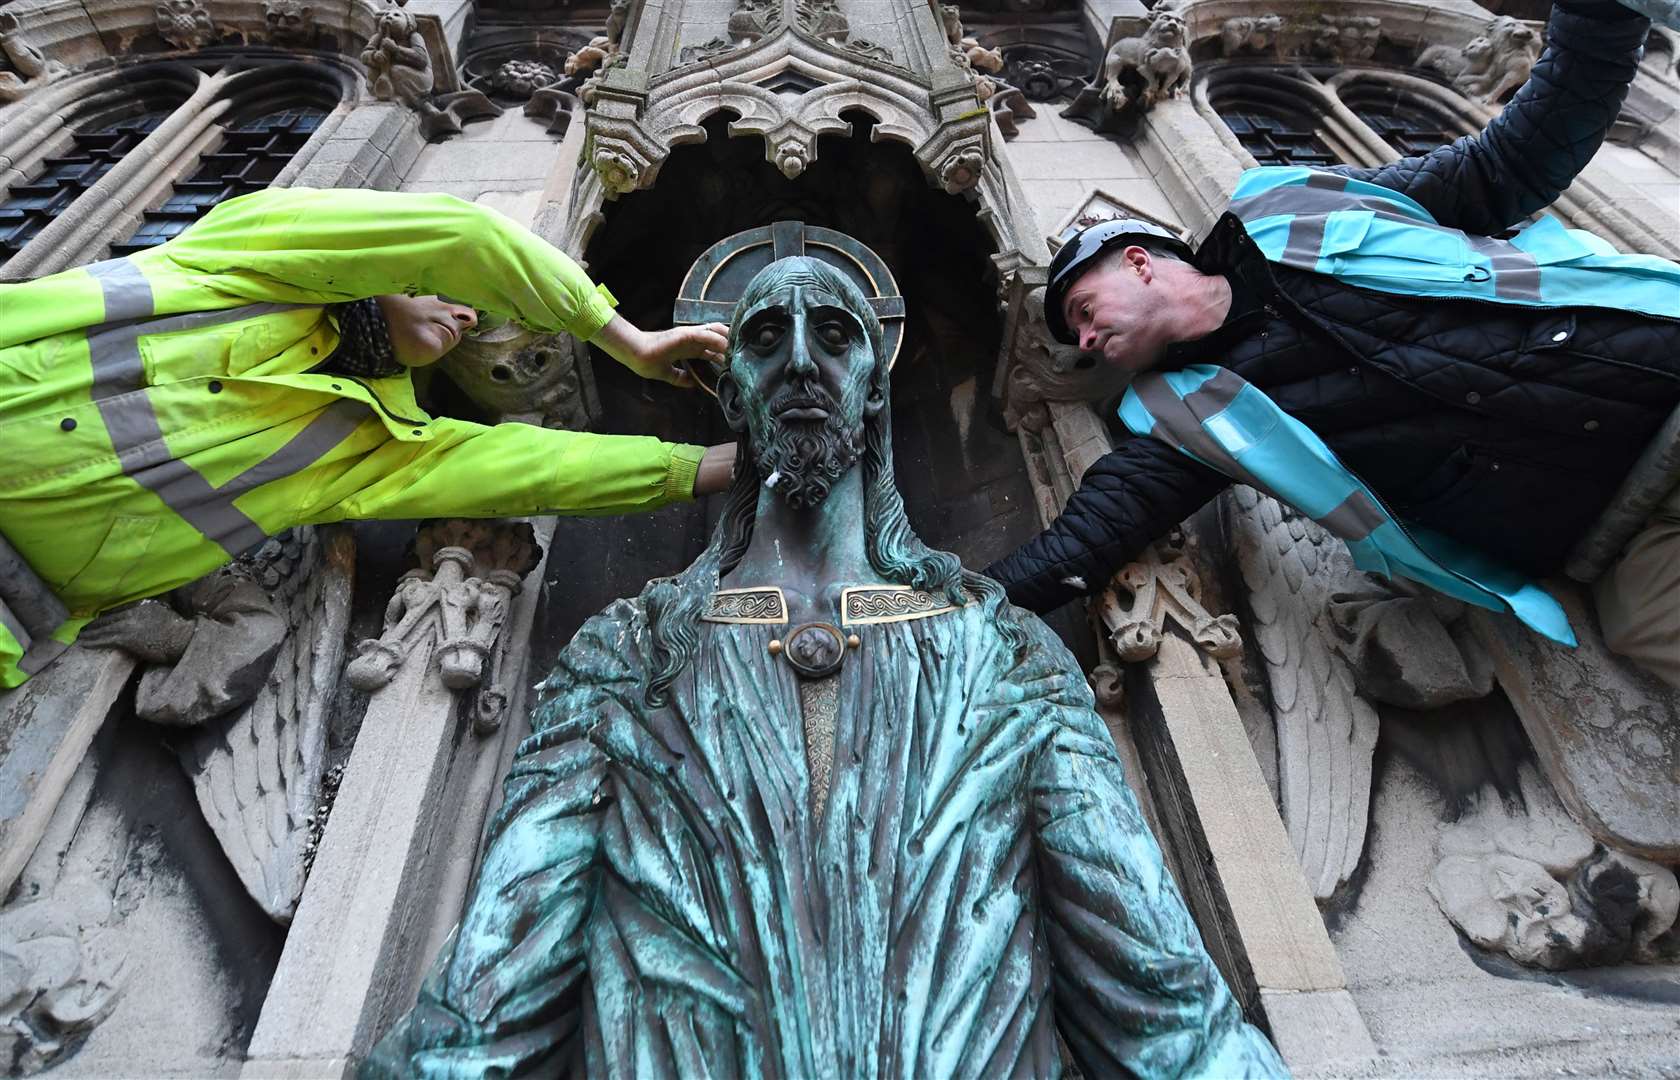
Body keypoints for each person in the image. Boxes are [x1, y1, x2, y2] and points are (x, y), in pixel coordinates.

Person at [363, 254, 1285, 1079]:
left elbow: (1157, 995)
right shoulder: (626, 656)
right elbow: (488, 994)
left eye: (835, 335)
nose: (801, 360)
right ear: (733, 395)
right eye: (765, 338)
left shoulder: (1000, 650)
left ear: (874, 388)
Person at [986, 0, 1680, 684]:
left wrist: (1599, 18)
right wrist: (935, 609)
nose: (1084, 338)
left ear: (1139, 262)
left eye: (1081, 309)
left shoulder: (1299, 207)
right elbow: (1083, 540)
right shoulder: (1182, 419)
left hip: (1658, 367)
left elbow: (1509, 163)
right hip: (1613, 533)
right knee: (1646, 628)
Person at [0, 186, 736, 688]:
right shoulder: (245, 255)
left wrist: (705, 467)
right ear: (392, 271)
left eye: (475, 310)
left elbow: (533, 469)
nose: (469, 317)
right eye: (452, 293)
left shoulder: (372, 444)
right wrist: (628, 341)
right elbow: (463, 235)